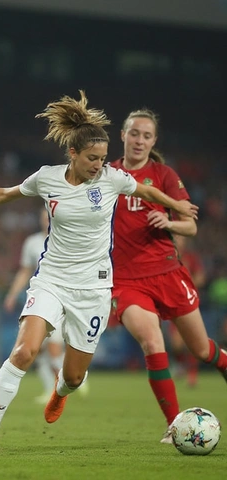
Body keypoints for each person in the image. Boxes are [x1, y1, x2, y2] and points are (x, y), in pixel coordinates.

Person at [0, 90, 198, 456]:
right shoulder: (47, 179)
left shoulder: (112, 179)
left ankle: (60, 392)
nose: (98, 165)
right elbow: (3, 193)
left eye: (101, 159)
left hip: (94, 289)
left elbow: (146, 189)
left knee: (74, 376)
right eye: (91, 159)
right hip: (51, 281)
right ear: (72, 154)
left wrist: (176, 204)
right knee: (24, 351)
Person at [108, 108, 227, 444]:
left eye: (146, 135)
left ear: (153, 140)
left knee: (202, 351)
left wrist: (169, 223)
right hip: (127, 280)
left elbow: (190, 223)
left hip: (168, 274)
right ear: (123, 135)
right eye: (134, 133)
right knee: (152, 341)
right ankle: (175, 424)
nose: (139, 140)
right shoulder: (107, 174)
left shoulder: (163, 175)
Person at [3, 207, 89, 404]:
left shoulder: (68, 240)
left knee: (52, 349)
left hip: (61, 301)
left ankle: (77, 378)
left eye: (50, 217)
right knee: (38, 352)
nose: (47, 220)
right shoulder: (32, 243)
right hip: (39, 301)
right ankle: (52, 388)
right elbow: (25, 271)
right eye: (44, 217)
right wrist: (12, 294)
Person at [168, 234, 206, 387]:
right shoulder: (167, 257)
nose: (178, 241)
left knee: (192, 342)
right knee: (176, 344)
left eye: (180, 238)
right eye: (175, 238)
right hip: (172, 304)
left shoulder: (191, 258)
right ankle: (179, 366)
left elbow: (201, 278)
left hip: (189, 303)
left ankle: (192, 375)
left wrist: (185, 283)